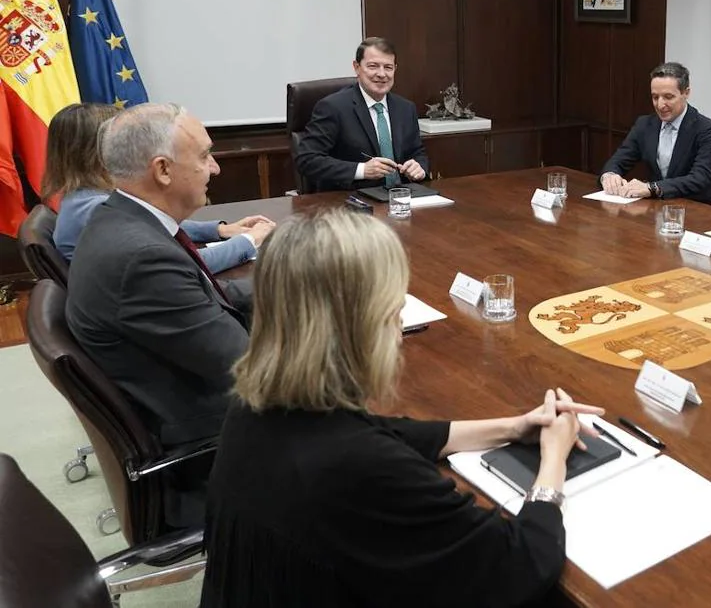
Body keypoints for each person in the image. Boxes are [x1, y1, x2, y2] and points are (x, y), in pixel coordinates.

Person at [200, 209, 603, 607]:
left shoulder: (254, 405)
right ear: (361, 326)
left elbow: (380, 431)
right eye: (393, 310)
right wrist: (553, 462)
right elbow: (519, 566)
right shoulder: (359, 467)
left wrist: (515, 427)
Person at [66, 103, 256, 527]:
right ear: (163, 171)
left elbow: (210, 294)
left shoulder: (122, 221)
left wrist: (310, 291)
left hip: (184, 407)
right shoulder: (142, 258)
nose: (216, 168)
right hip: (213, 447)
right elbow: (250, 366)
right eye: (205, 156)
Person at [43, 103, 272, 269]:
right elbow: (193, 267)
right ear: (102, 151)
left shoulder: (84, 197)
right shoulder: (99, 210)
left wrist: (218, 230)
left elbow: (155, 222)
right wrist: (250, 241)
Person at [294, 37, 429, 193]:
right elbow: (307, 159)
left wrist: (419, 167)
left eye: (388, 67)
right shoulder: (333, 107)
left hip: (402, 197)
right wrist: (362, 170)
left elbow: (417, 152)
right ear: (356, 67)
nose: (381, 74)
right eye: (373, 66)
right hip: (351, 202)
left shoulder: (405, 108)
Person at [599, 62, 711, 204]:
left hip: (695, 209)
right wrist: (609, 175)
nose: (660, 105)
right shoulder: (644, 124)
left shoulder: (707, 129)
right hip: (655, 208)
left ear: (686, 93)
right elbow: (619, 159)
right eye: (655, 97)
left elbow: (700, 178)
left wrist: (652, 188)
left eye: (668, 97)